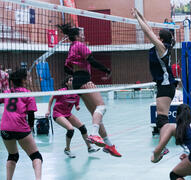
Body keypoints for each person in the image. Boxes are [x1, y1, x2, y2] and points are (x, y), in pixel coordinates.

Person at [58, 23, 121, 157]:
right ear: (76, 36)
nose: (84, 36)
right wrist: (107, 70)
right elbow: (91, 60)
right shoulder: (80, 45)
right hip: (84, 80)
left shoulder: (71, 48)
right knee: (101, 107)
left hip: (77, 80)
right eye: (81, 34)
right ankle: (93, 135)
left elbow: (66, 68)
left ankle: (109, 145)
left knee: (96, 114)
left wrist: (76, 74)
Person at [132, 8, 176, 154]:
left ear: (161, 39)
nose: (156, 37)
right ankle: (163, 146)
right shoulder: (163, 46)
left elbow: (147, 32)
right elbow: (149, 29)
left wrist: (137, 20)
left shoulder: (162, 48)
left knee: (162, 118)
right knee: (162, 117)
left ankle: (163, 146)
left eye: (158, 36)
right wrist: (139, 15)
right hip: (165, 85)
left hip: (166, 85)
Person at [0, 69, 42, 180]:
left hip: (5, 128)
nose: (30, 79)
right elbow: (31, 114)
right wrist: (31, 129)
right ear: (23, 80)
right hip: (20, 128)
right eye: (28, 77)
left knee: (12, 156)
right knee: (36, 156)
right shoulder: (28, 94)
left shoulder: (7, 93)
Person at [45, 75, 100, 158]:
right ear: (67, 83)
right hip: (58, 113)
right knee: (70, 129)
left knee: (82, 128)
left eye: (73, 80)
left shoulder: (76, 92)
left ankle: (89, 148)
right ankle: (67, 149)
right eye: (70, 80)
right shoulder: (62, 91)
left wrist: (77, 106)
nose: (72, 81)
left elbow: (76, 102)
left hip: (67, 114)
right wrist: (48, 110)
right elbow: (52, 98)